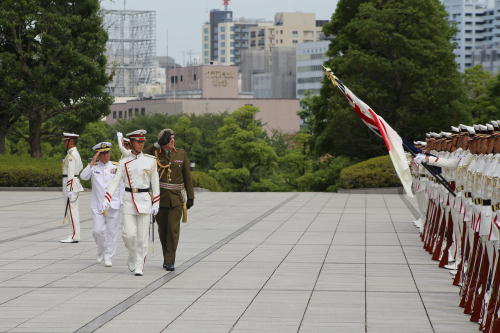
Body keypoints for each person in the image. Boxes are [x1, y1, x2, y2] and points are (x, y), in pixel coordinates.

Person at [102, 130, 160, 276]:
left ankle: (139, 264)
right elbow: (115, 182)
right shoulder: (124, 162)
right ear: (132, 143)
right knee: (128, 235)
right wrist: (106, 199)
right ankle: (132, 254)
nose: (141, 144)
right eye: (138, 142)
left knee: (142, 237)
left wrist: (156, 202)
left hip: (145, 200)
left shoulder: (150, 160)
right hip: (128, 200)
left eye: (142, 142)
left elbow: (155, 183)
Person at [144, 129, 194, 271]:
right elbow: (143, 155)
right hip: (160, 198)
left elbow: (187, 177)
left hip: (176, 199)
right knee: (163, 230)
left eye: (173, 138)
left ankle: (169, 260)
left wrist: (190, 196)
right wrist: (158, 144)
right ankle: (167, 254)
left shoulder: (181, 154)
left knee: (173, 230)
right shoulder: (154, 153)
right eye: (169, 139)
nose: (172, 141)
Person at [80, 142, 124, 267]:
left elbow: (121, 185)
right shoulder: (93, 167)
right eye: (102, 153)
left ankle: (108, 256)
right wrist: (92, 161)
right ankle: (101, 250)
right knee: (97, 231)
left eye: (107, 153)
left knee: (112, 232)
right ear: (98, 155)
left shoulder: (116, 167)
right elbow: (83, 177)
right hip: (98, 206)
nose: (105, 156)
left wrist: (120, 201)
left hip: (113, 204)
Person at [60, 132, 84, 243]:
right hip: (72, 183)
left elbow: (70, 173)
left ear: (71, 141)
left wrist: (69, 189)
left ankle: (74, 235)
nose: (64, 143)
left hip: (70, 184)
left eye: (66, 141)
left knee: (71, 211)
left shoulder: (72, 155)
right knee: (72, 211)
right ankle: (74, 234)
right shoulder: (74, 153)